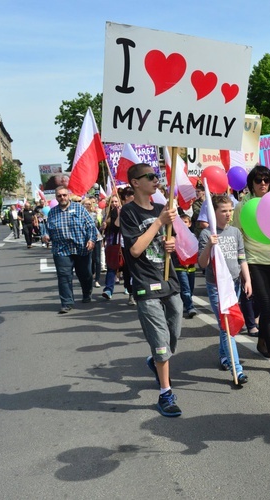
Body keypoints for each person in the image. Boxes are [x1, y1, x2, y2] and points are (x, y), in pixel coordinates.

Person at [121, 163, 183, 417]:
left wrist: (172, 242)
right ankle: (165, 393)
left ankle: (157, 362)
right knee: (159, 340)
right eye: (150, 176)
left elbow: (171, 241)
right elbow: (135, 249)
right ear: (136, 183)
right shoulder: (129, 212)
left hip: (169, 281)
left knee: (173, 332)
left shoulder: (161, 208)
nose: (155, 180)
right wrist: (159, 222)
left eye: (156, 176)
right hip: (146, 284)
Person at [232, 165, 270, 376]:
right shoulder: (242, 206)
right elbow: (237, 234)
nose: (263, 184)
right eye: (258, 180)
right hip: (254, 260)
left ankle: (263, 340)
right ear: (251, 184)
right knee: (265, 305)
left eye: (266, 180)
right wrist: (239, 264)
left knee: (269, 306)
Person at [198, 195, 251, 385]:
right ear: (214, 213)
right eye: (223, 210)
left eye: (230, 210)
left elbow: (241, 257)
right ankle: (237, 370)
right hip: (217, 286)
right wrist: (210, 245)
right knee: (227, 326)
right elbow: (202, 264)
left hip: (234, 283)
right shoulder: (206, 234)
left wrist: (247, 279)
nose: (228, 214)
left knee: (225, 324)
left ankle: (223, 356)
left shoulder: (235, 232)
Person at [43, 186, 98, 314]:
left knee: (85, 274)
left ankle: (87, 292)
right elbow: (48, 229)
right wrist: (45, 235)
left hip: (81, 248)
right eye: (59, 196)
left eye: (64, 195)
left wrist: (91, 240)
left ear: (68, 195)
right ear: (56, 198)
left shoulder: (80, 209)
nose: (62, 198)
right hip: (61, 249)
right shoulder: (52, 212)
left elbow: (90, 226)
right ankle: (67, 302)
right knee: (64, 276)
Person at [175, 213, 199, 319]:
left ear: (189, 224)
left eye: (185, 222)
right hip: (180, 267)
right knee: (185, 288)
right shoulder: (176, 236)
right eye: (181, 222)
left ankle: (184, 304)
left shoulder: (193, 237)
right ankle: (190, 307)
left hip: (191, 267)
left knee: (190, 288)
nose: (183, 224)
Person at [101, 194, 122, 300]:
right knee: (111, 267)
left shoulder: (124, 213)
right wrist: (103, 226)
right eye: (112, 202)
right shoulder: (107, 215)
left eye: (116, 201)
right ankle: (108, 290)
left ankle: (129, 287)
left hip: (123, 244)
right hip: (111, 244)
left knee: (126, 268)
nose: (114, 204)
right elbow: (102, 230)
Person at [82, 198, 103, 288]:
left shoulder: (95, 214)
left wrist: (101, 220)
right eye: (85, 204)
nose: (87, 205)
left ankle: (97, 280)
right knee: (89, 260)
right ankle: (90, 277)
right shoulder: (79, 215)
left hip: (97, 238)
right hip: (85, 239)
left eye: (89, 204)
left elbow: (99, 226)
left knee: (97, 260)